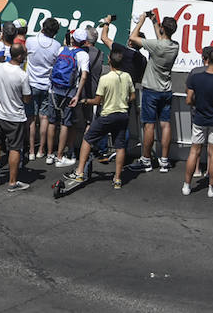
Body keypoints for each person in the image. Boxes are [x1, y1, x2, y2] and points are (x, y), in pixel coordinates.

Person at [60, 49, 136, 192]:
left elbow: (97, 100)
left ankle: (79, 172)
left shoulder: (105, 78)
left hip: (108, 115)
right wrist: (122, 100)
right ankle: (117, 178)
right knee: (120, 146)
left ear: (110, 61)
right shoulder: (127, 77)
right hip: (123, 115)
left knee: (88, 138)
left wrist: (85, 101)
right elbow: (132, 96)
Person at [128, 12, 180, 173]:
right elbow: (162, 38)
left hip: (151, 90)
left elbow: (133, 38)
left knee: (149, 125)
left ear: (163, 28)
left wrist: (141, 21)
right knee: (165, 124)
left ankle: (146, 160)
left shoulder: (156, 45)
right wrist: (154, 22)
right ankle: (164, 160)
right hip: (166, 90)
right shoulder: (175, 46)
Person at [183, 46, 213, 198]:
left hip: (199, 118)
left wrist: (198, 104)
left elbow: (188, 100)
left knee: (194, 151)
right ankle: (211, 187)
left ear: (207, 60)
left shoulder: (195, 78)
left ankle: (187, 185)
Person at [0, 42, 33, 192]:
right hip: (15, 117)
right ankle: (12, 182)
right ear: (19, 57)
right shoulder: (22, 75)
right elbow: (27, 99)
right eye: (24, 55)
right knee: (15, 148)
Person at [51, 27, 94, 167]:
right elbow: (84, 76)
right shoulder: (83, 55)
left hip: (54, 90)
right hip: (69, 92)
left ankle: (49, 153)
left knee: (52, 121)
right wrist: (77, 94)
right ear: (84, 42)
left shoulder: (61, 50)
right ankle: (60, 156)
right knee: (66, 123)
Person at [25, 18, 62, 162]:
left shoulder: (30, 41)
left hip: (31, 83)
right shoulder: (57, 46)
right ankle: (41, 149)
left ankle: (31, 150)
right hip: (47, 85)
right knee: (44, 118)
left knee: (31, 118)